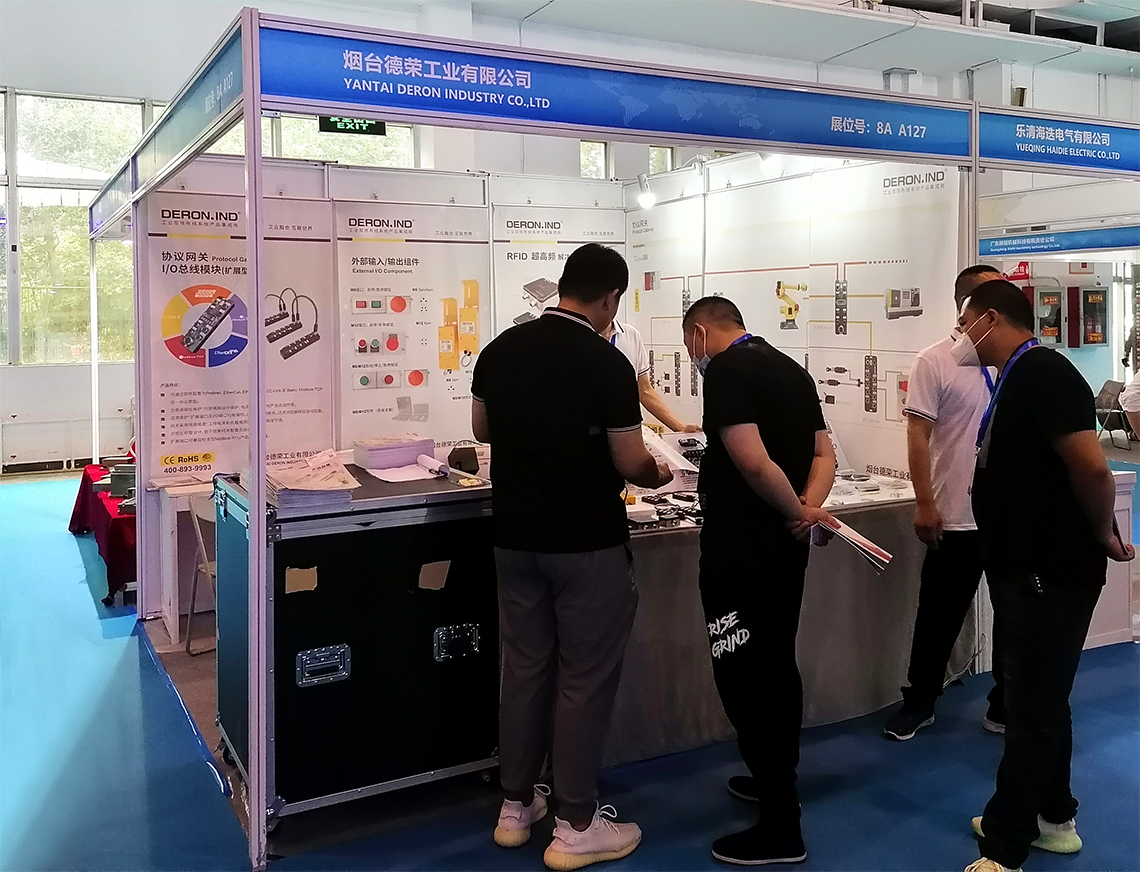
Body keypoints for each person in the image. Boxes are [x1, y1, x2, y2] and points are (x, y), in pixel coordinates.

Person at [471, 243, 673, 871]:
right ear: (611, 298)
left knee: (523, 669)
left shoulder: (499, 350)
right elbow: (630, 461)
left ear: (562, 286)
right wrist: (661, 471)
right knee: (583, 681)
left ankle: (515, 806)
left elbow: (482, 430)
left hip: (514, 538)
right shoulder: (606, 362)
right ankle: (576, 824)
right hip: (586, 543)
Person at [955, 280, 1134, 872]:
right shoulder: (1019, 377)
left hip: (1048, 573)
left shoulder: (1045, 374)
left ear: (990, 318)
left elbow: (1093, 469)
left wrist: (1102, 530)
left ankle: (1005, 846)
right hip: (1025, 569)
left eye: (964, 321)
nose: (961, 335)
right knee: (1042, 696)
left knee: (1031, 708)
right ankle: (1053, 819)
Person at [681, 296, 837, 866]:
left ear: (699, 333)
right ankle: (776, 780)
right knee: (775, 662)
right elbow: (825, 455)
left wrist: (795, 510)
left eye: (689, 345)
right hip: (784, 550)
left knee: (745, 674)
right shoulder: (790, 368)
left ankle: (780, 823)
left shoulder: (726, 372)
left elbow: (750, 461)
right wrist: (806, 509)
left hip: (740, 552)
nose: (692, 356)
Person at [885, 264, 1006, 742]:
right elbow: (918, 435)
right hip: (955, 514)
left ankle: (1004, 702)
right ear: (968, 306)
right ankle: (920, 701)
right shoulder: (934, 360)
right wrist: (925, 502)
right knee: (938, 617)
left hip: (1004, 516)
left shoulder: (1010, 360)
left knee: (1013, 616)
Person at [600, 317, 701, 433]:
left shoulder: (630, 335)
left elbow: (644, 391)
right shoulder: (583, 339)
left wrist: (680, 428)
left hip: (626, 431)